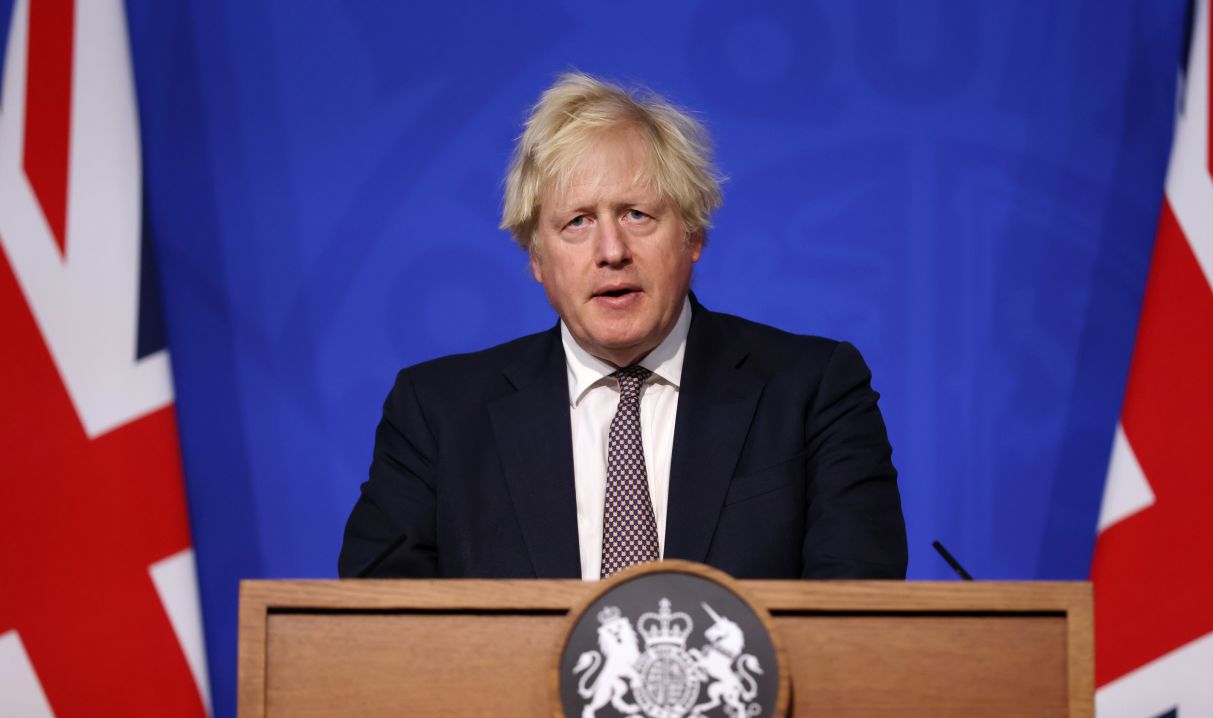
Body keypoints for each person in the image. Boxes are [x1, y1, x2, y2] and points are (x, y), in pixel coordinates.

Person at [338, 72, 907, 581]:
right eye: (577, 222)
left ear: (693, 236)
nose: (612, 250)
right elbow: (382, 629)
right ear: (537, 259)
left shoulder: (813, 391)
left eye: (638, 214)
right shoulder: (436, 415)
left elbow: (854, 618)